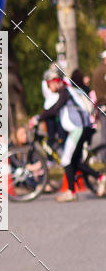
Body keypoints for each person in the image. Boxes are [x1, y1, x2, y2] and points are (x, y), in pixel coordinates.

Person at [30, 68, 106, 201]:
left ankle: (71, 192)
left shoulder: (66, 92)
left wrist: (37, 118)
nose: (49, 87)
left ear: (55, 81)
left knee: (66, 159)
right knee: (74, 161)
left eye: (49, 84)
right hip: (84, 128)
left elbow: (54, 110)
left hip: (79, 129)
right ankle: (99, 177)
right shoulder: (70, 90)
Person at [90, 50, 106, 147]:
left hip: (101, 104)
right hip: (104, 102)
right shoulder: (104, 71)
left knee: (104, 129)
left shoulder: (97, 70)